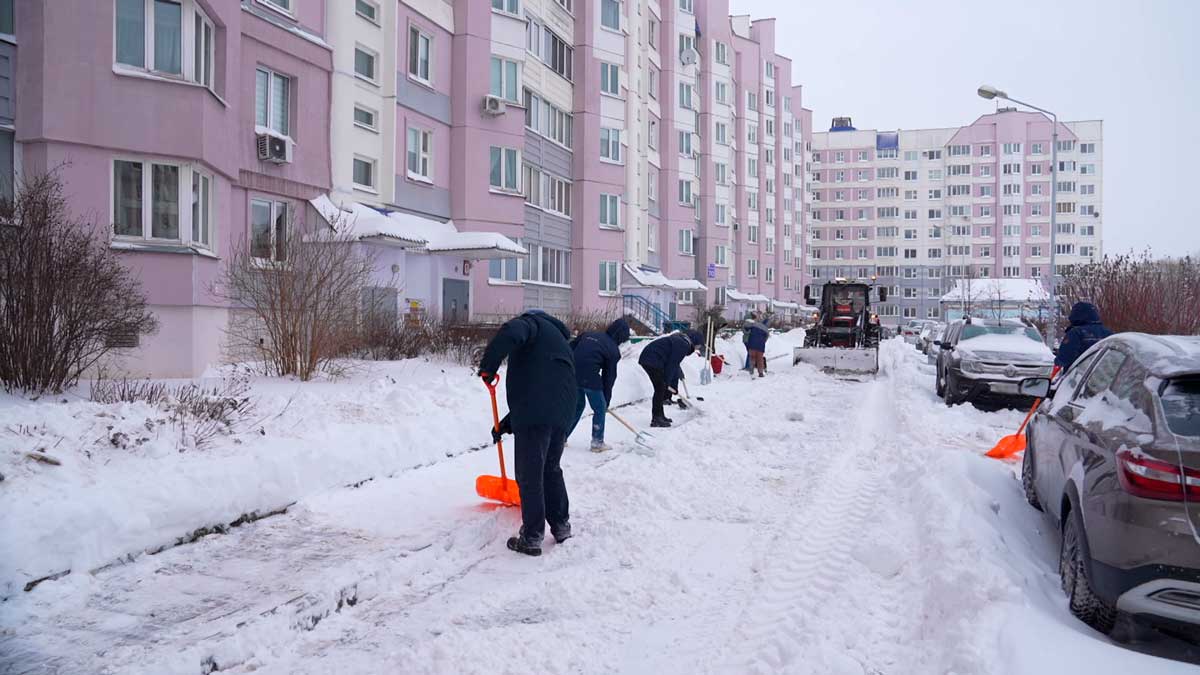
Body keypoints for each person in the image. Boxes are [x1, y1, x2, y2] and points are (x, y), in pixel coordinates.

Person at [478, 310, 577, 557]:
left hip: (539, 411)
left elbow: (511, 333)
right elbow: (544, 387)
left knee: (530, 473)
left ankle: (532, 536)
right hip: (563, 411)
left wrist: (488, 367)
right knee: (550, 468)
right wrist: (508, 424)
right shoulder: (558, 341)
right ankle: (561, 525)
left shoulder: (531, 324)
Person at [566, 318, 631, 453]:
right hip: (589, 377)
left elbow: (570, 347)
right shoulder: (613, 350)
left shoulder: (588, 334)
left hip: (571, 373)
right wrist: (605, 401)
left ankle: (561, 438)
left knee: (577, 406)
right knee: (599, 409)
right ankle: (597, 443)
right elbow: (609, 378)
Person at [638, 330, 703, 427]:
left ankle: (660, 415)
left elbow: (675, 366)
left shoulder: (682, 342)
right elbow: (671, 366)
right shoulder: (683, 345)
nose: (697, 349)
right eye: (698, 346)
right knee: (660, 388)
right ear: (695, 341)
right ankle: (656, 418)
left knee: (660, 387)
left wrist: (673, 386)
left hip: (653, 359)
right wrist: (667, 383)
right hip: (651, 359)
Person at [1054, 301, 1113, 372]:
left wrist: (1057, 360)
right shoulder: (1109, 333)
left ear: (1075, 315)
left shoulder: (1076, 333)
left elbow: (1063, 359)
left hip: (1079, 377)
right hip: (1105, 377)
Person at [745, 313, 770, 377]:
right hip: (760, 347)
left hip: (752, 345)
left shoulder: (754, 324)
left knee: (752, 358)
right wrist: (762, 342)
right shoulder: (766, 330)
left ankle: (751, 371)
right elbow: (766, 338)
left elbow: (746, 328)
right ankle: (760, 373)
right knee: (760, 360)